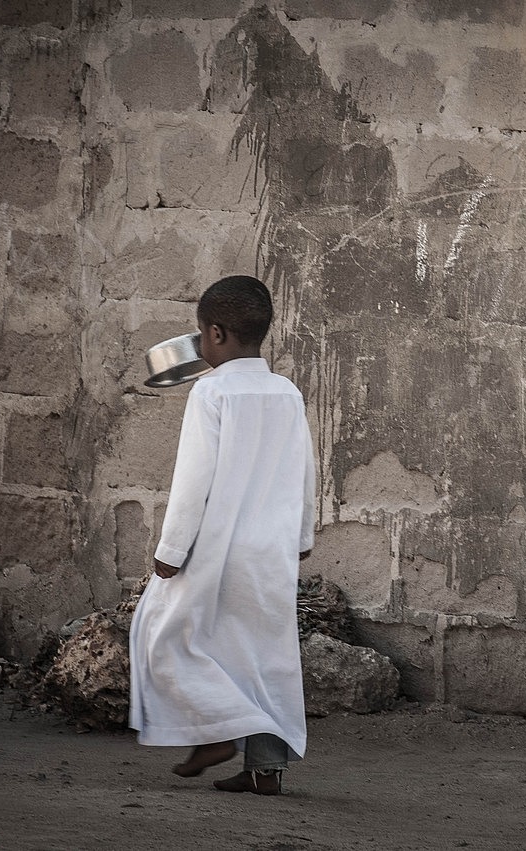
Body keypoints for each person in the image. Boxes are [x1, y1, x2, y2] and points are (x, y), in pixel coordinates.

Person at [128, 274, 315, 796]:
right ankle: (265, 770)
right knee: (266, 655)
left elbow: (192, 483)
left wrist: (170, 552)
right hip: (272, 552)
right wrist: (302, 535)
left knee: (161, 631)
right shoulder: (286, 393)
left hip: (216, 550)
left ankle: (216, 733)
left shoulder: (210, 392)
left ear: (213, 334)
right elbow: (305, 470)